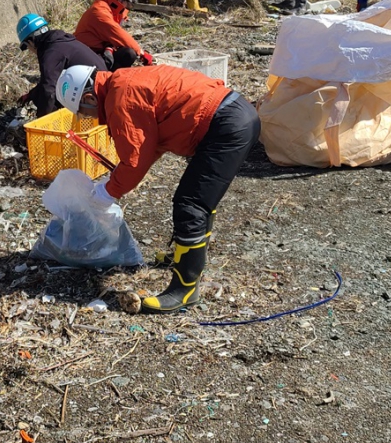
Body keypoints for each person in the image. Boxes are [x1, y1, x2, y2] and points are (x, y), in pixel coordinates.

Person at [55, 64, 260, 314]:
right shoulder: (123, 83)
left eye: (84, 112)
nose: (89, 118)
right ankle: (187, 258)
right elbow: (148, 146)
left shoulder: (120, 99)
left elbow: (134, 161)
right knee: (200, 198)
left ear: (89, 97)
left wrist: (107, 192)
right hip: (234, 114)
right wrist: (118, 179)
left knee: (191, 204)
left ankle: (184, 290)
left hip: (225, 125)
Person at [16, 13, 108, 118]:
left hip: (94, 98)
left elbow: (48, 90)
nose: (31, 51)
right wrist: (32, 94)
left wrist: (41, 119)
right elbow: (50, 79)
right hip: (103, 85)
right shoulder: (62, 42)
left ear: (31, 42)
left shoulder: (50, 53)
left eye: (27, 47)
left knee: (52, 98)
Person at [74, 0, 155, 70]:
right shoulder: (99, 11)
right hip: (86, 54)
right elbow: (117, 33)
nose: (127, 6)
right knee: (128, 53)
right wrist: (141, 52)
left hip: (99, 51)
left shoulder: (113, 10)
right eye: (127, 2)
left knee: (128, 54)